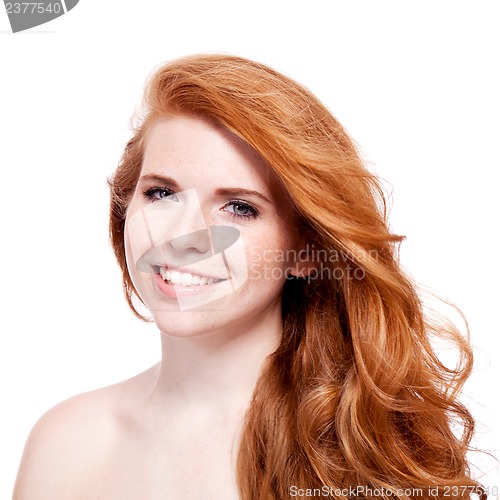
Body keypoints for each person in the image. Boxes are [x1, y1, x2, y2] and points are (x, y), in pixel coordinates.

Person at [13, 54, 484, 499]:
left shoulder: (370, 448)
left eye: (239, 208)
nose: (183, 237)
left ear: (305, 250)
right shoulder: (64, 443)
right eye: (160, 193)